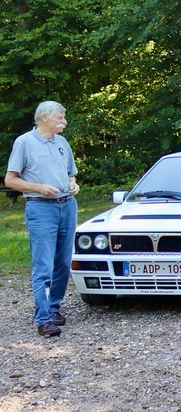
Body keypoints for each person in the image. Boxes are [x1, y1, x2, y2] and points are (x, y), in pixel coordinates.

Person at [5, 101, 80, 338]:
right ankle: (44, 319)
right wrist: (38, 187)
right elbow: (10, 180)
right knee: (43, 265)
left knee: (63, 263)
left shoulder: (62, 142)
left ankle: (54, 307)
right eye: (60, 117)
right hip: (40, 208)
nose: (64, 122)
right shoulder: (24, 142)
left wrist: (74, 185)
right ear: (44, 117)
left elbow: (71, 174)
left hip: (67, 206)